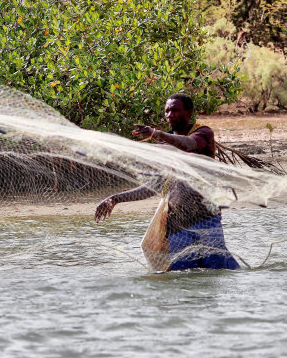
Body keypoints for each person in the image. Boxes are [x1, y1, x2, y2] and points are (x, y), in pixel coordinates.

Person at [95, 93, 240, 271]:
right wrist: (116, 198)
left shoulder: (203, 133)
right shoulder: (164, 146)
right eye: (167, 111)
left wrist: (157, 134)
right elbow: (154, 186)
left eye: (175, 110)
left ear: (189, 113)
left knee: (217, 270)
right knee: (182, 274)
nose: (170, 115)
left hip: (207, 220)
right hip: (178, 224)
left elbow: (187, 144)